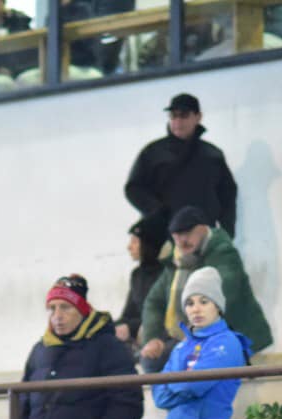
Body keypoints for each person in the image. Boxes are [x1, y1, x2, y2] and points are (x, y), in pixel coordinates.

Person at [138, 205, 272, 372]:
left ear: (203, 228)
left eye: (187, 234)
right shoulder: (177, 263)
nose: (182, 241)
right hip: (188, 336)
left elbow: (224, 291)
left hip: (229, 334)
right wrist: (153, 338)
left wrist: (194, 333)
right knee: (151, 361)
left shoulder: (223, 253)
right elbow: (154, 302)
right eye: (177, 236)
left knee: (196, 363)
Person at [19, 275, 143, 419]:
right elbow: (22, 407)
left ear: (82, 310)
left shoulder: (107, 346)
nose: (57, 316)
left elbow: (129, 401)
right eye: (52, 308)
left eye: (65, 307)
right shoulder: (39, 351)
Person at [124, 93, 238, 260]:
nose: (177, 121)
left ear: (198, 117)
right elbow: (133, 188)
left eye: (184, 115)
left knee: (204, 277)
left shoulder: (212, 156)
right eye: (173, 116)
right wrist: (157, 211)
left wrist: (226, 234)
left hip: (202, 239)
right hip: (163, 238)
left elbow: (228, 196)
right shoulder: (153, 153)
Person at [152, 267, 250, 419]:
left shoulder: (227, 342)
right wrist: (183, 383)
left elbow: (192, 385)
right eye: (190, 303)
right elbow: (159, 397)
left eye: (204, 302)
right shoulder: (182, 346)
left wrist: (175, 383)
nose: (196, 309)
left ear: (217, 306)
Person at [116, 219, 161, 355]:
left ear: (147, 244)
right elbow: (128, 313)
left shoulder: (164, 273)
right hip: (136, 335)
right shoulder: (137, 274)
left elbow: (160, 316)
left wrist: (131, 328)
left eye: (135, 242)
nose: (129, 247)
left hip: (155, 337)